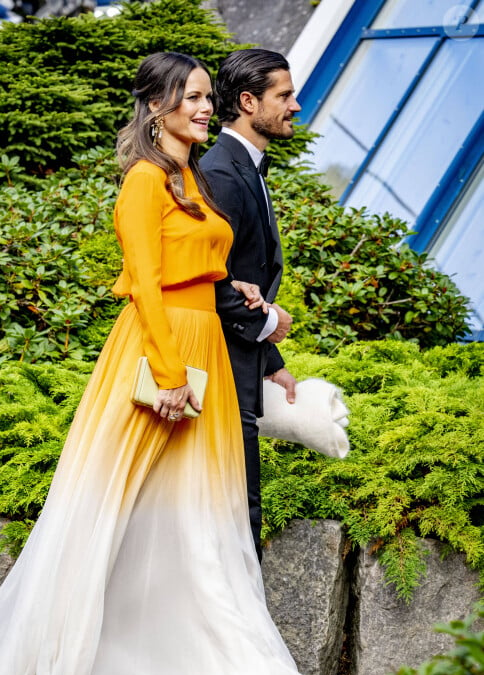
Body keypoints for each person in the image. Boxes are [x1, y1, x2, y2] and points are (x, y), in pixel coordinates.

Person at [0, 51, 312, 675]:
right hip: (159, 351)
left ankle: (130, 669)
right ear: (157, 106)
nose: (205, 107)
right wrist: (168, 376)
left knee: (183, 522)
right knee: (117, 511)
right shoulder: (143, 180)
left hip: (204, 352)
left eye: (206, 97)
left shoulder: (193, 177)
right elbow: (143, 281)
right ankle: (113, 667)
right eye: (192, 98)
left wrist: (239, 292)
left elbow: (198, 267)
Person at [200, 49, 302, 562]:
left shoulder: (246, 167)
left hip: (242, 364)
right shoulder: (221, 173)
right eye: (283, 95)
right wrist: (268, 321)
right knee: (238, 516)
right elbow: (211, 283)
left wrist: (272, 363)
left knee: (239, 515)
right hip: (218, 369)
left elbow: (245, 272)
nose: (296, 105)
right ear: (247, 101)